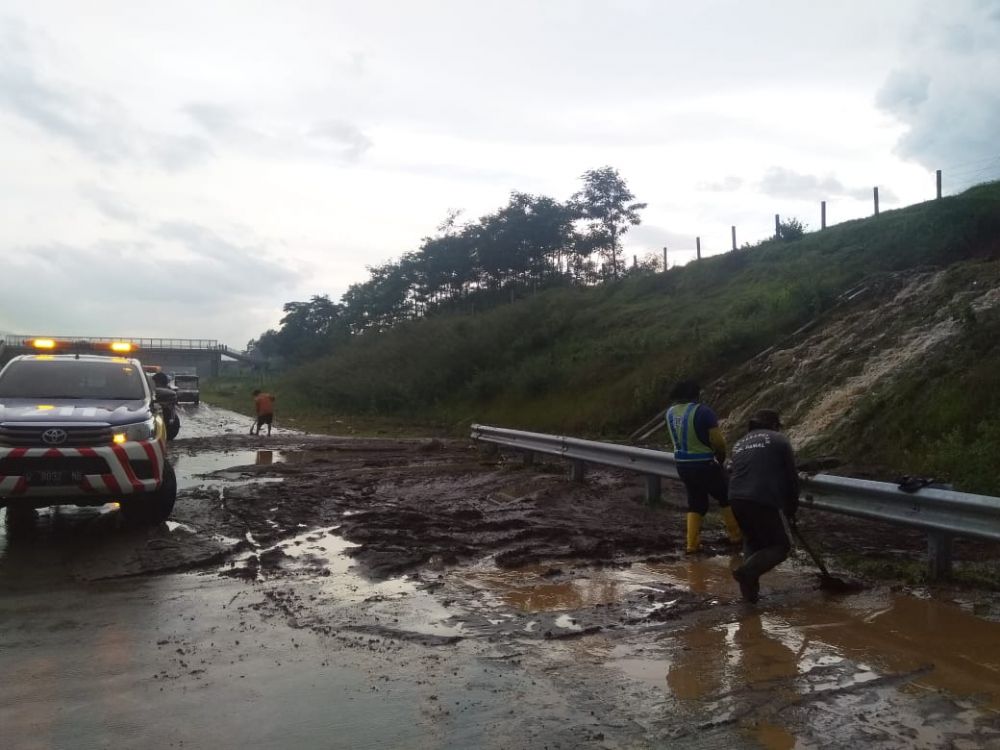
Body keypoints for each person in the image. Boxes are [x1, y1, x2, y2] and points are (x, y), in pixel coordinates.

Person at [728, 409, 800, 603]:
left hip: (735, 498)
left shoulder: (739, 444)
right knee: (782, 546)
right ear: (774, 426)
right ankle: (746, 573)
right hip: (763, 498)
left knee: (752, 543)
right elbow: (792, 477)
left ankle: (749, 600)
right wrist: (792, 507)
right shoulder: (779, 439)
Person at [665, 380, 742, 554]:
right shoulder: (703, 412)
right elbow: (718, 441)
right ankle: (736, 536)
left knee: (696, 503)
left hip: (682, 465)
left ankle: (692, 545)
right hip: (704, 464)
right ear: (695, 394)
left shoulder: (670, 413)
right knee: (726, 496)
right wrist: (720, 457)